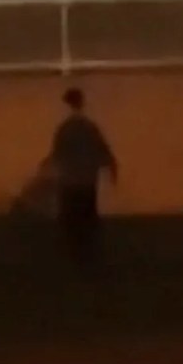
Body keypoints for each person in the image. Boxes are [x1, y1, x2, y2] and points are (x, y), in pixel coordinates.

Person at [47, 88, 118, 266]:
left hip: (70, 183)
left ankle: (74, 257)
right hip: (86, 182)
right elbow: (104, 151)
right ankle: (89, 257)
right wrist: (112, 169)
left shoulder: (65, 128)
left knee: (70, 221)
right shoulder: (88, 127)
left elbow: (57, 154)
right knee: (87, 220)